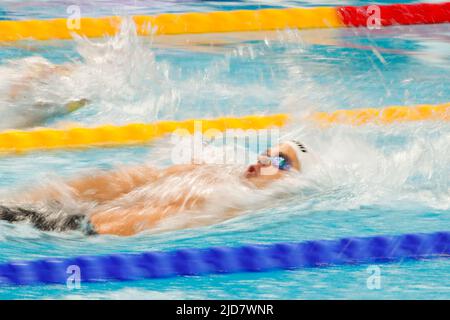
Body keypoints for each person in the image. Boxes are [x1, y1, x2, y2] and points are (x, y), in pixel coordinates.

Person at [0, 140, 312, 236]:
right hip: (79, 209)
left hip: (81, 227)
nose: (262, 162)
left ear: (295, 180)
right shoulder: (214, 172)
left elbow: (159, 216)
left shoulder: (238, 205)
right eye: (266, 154)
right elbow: (127, 182)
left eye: (281, 162)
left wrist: (78, 226)